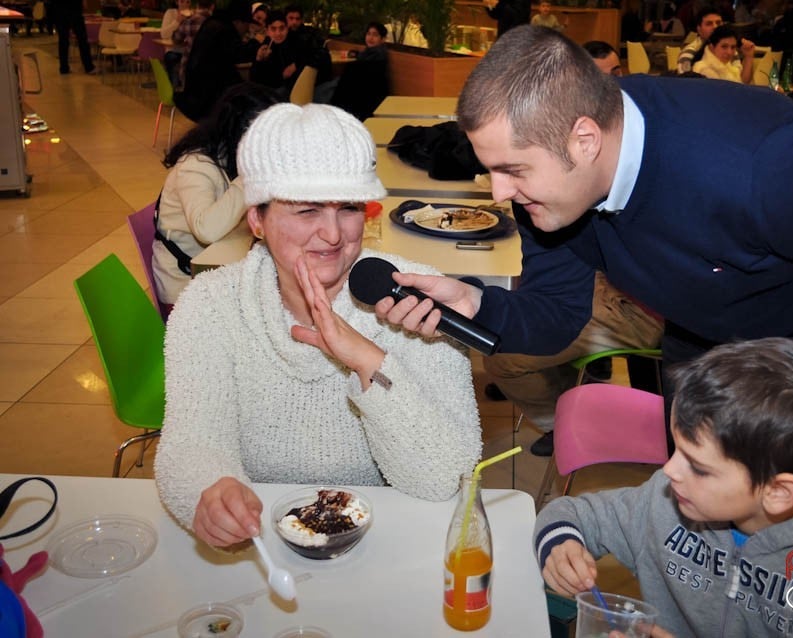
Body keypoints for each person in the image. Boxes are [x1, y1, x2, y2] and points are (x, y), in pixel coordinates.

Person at [374, 26, 793, 519]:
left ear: (583, 140)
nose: (501, 192)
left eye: (512, 169)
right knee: (701, 560)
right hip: (699, 352)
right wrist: (476, 303)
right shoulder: (550, 193)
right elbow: (556, 316)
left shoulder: (762, 168)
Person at [154, 103, 482, 546]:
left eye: (348, 208)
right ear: (256, 219)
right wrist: (210, 491)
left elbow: (446, 478)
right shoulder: (211, 305)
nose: (333, 234)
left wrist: (369, 361)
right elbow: (190, 444)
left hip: (386, 538)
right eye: (307, 211)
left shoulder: (417, 302)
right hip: (263, 541)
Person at [534, 338, 793, 636]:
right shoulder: (667, 502)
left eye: (698, 467)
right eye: (677, 450)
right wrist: (561, 545)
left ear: (777, 492)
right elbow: (575, 513)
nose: (669, 470)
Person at [484, 39, 660, 458]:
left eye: (612, 76)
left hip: (645, 303)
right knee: (512, 325)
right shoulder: (555, 157)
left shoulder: (621, 147)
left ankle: (563, 420)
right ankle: (569, 400)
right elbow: (551, 266)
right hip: (613, 286)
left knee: (501, 356)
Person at [154, 83, 279, 307]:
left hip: (216, 270)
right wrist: (250, 175)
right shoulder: (195, 165)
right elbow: (207, 230)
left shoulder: (227, 157)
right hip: (185, 288)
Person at [175, 0, 255, 122]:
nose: (247, 29)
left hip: (193, 92)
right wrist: (256, 45)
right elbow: (238, 55)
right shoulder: (225, 31)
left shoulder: (213, 23)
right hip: (207, 99)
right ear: (238, 22)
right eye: (247, 25)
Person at [250, 9, 302, 95]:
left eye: (282, 28)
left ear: (287, 29)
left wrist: (296, 64)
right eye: (273, 29)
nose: (278, 33)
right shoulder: (263, 48)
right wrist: (258, 60)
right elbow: (255, 80)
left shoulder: (295, 43)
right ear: (267, 31)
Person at [172, 0, 213, 86]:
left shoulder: (189, 20)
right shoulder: (216, 22)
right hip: (211, 69)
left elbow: (176, 38)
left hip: (189, 67)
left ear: (197, 5)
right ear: (212, 6)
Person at [51, 0, 95, 75]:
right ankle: (88, 66)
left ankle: (64, 68)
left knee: (63, 40)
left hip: (59, 10)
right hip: (74, 9)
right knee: (82, 39)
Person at [676, 6, 723, 74]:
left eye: (718, 23)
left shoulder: (729, 49)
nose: (715, 27)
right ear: (699, 29)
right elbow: (685, 80)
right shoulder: (689, 52)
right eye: (709, 24)